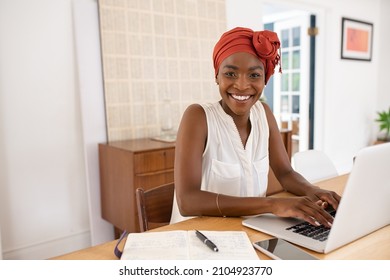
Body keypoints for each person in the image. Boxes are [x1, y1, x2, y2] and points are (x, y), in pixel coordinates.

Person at [171, 27, 341, 228]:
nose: (242, 85)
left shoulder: (264, 114)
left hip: (250, 229)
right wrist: (272, 204)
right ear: (217, 76)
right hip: (200, 235)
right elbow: (187, 201)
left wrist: (312, 190)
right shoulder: (198, 117)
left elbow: (285, 173)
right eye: (230, 73)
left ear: (264, 80)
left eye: (254, 75)